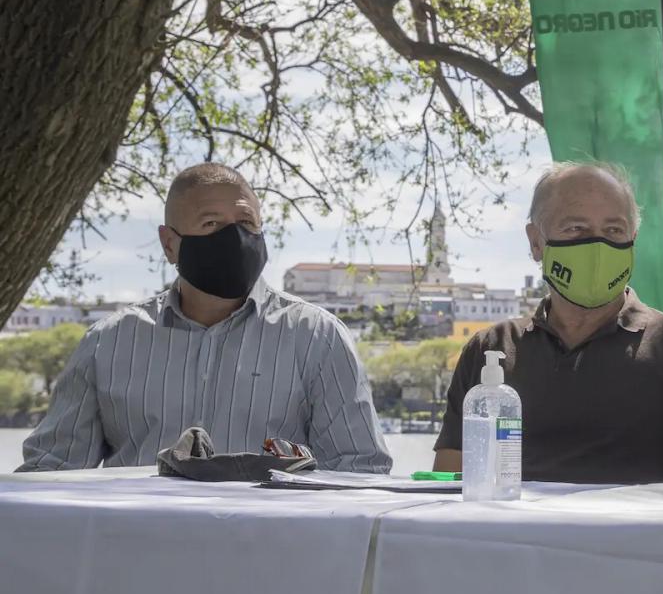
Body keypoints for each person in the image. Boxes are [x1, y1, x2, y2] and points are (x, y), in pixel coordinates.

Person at [20, 163, 391, 472]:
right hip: (135, 548)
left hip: (271, 550)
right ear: (169, 244)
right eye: (212, 224)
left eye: (246, 223)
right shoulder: (107, 343)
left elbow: (359, 471)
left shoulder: (317, 338)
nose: (235, 238)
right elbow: (52, 472)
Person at [433, 162, 663, 485]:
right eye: (576, 228)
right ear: (536, 242)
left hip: (632, 536)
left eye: (613, 231)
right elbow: (449, 489)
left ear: (632, 240)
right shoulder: (491, 349)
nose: (597, 246)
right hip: (509, 536)